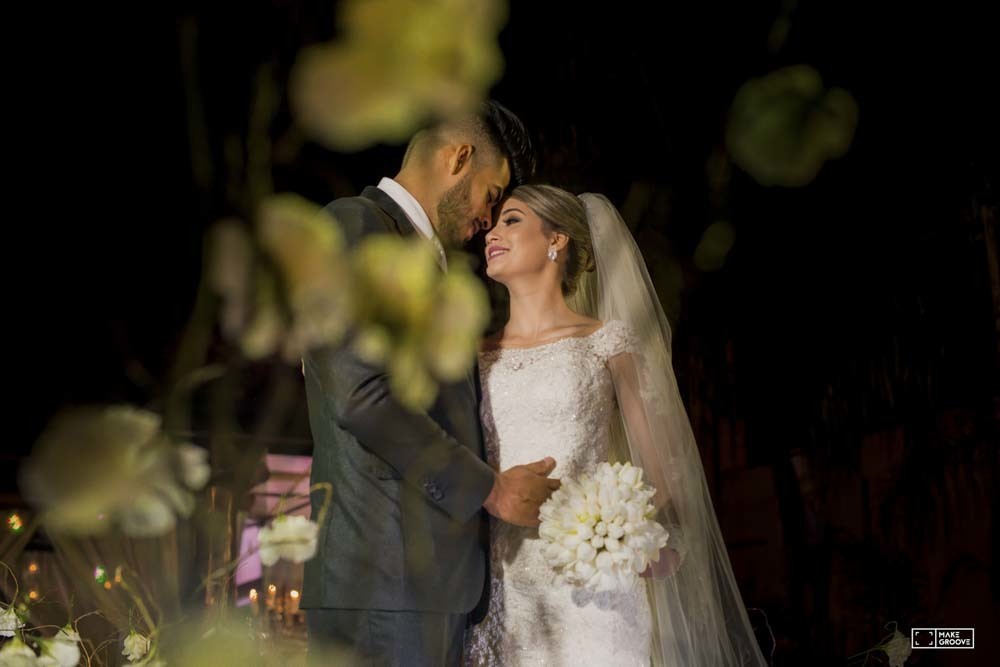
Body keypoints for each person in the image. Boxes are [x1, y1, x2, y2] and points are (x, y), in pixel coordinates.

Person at [463, 185, 768, 666]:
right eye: (494, 223)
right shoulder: (474, 356)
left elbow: (666, 466)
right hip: (501, 587)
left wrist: (631, 539)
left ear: (556, 240)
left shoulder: (607, 343)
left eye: (512, 220)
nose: (491, 234)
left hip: (594, 591)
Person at [301, 102, 559, 666]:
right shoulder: (357, 226)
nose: (489, 218)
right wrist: (491, 490)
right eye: (491, 195)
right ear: (459, 158)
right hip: (380, 585)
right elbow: (361, 396)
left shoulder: (432, 262)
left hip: (427, 588)